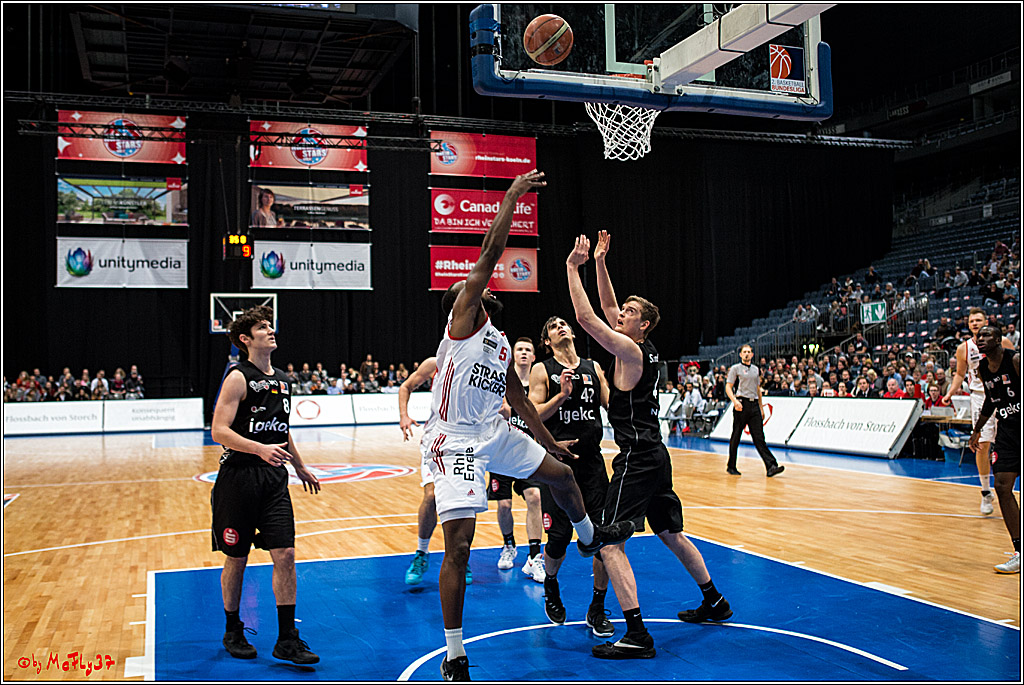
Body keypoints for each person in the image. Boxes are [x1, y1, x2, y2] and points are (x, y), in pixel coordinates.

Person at [425, 172, 633, 681]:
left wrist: (549, 444)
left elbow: (515, 398)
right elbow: (490, 255)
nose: (466, 288)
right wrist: (513, 198)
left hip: (492, 431)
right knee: (459, 547)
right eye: (464, 288)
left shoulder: (498, 342)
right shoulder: (462, 323)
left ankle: (587, 536)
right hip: (452, 439)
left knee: (561, 476)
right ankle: (455, 653)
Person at [566, 230, 731, 660]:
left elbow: (588, 318)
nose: (621, 313)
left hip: (637, 458)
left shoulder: (631, 352)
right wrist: (601, 265)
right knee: (671, 532)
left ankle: (636, 633)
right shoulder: (643, 348)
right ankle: (714, 601)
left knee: (609, 543)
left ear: (644, 325)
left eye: (631, 312)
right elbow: (605, 307)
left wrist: (572, 268)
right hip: (657, 454)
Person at [210, 305, 321, 665]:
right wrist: (260, 449)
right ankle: (232, 629)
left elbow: (282, 430)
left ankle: (287, 638)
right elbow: (219, 431)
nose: (270, 330)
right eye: (262, 327)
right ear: (245, 339)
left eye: (271, 325)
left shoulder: (285, 380)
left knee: (285, 554)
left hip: (274, 481)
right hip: (238, 479)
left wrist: (301, 466)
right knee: (237, 558)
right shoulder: (238, 377)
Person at [528, 316, 614, 636]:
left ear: (573, 332)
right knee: (560, 539)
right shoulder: (542, 370)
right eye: (553, 326)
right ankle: (551, 584)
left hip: (592, 464)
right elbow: (533, 413)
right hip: (558, 465)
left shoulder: (593, 367)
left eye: (564, 323)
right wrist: (561, 396)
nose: (561, 327)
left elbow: (613, 404)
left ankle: (597, 606)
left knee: (603, 536)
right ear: (547, 341)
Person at [398, 357, 474, 587]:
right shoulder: (435, 362)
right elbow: (406, 386)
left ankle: (462, 555)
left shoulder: (477, 363)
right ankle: (421, 554)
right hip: (435, 441)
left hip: (465, 441)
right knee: (431, 497)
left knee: (464, 502)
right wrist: (403, 415)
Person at [945, 308, 1016, 515]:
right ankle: (986, 492)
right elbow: (959, 374)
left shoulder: (1003, 344)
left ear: (987, 321)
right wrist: (950, 392)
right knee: (981, 444)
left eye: (978, 320)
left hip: (1005, 395)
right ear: (968, 325)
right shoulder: (964, 348)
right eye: (972, 321)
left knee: (1010, 439)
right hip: (978, 396)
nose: (975, 323)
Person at [967, 326, 1020, 574]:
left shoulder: (1016, 360)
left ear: (999, 340)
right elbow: (991, 399)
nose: (981, 339)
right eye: (979, 337)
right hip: (1008, 433)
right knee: (1001, 486)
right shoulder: (983, 369)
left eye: (987, 335)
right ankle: (1020, 551)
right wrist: (977, 430)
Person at [492, 337, 546, 580]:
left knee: (534, 496)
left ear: (534, 357)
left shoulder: (538, 384)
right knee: (504, 505)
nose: (524, 353)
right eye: (520, 350)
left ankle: (535, 556)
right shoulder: (502, 382)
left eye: (528, 350)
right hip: (502, 452)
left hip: (526, 453)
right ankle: (509, 545)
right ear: (513, 355)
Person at [725, 345, 785, 477]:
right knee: (736, 436)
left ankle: (771, 466)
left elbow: (758, 389)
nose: (746, 354)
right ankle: (731, 466)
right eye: (744, 352)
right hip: (741, 403)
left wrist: (761, 407)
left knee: (759, 438)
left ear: (752, 355)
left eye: (749, 352)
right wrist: (735, 401)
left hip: (754, 405)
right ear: (740, 354)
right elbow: (728, 387)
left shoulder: (756, 369)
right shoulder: (735, 369)